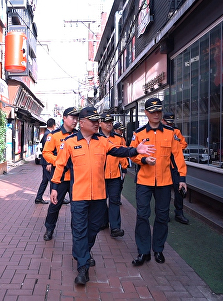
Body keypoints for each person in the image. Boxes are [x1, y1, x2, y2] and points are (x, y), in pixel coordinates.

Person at [50, 107, 154, 285]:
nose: (97, 123)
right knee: (80, 229)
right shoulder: (69, 142)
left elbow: (119, 150)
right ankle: (83, 267)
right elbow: (59, 165)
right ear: (82, 123)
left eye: (98, 120)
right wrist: (54, 187)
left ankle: (82, 251)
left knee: (93, 229)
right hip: (79, 195)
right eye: (93, 121)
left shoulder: (103, 142)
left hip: (99, 195)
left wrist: (136, 150)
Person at [129, 97, 187, 266]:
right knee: (142, 216)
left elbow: (178, 157)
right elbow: (132, 154)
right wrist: (144, 160)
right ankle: (143, 251)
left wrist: (182, 178)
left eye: (158, 111)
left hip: (164, 182)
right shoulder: (139, 134)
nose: (156, 114)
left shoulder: (171, 133)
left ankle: (158, 249)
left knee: (162, 216)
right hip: (144, 182)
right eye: (152, 111)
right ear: (146, 113)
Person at [41, 107, 79, 241]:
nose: (75, 121)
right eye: (72, 118)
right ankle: (49, 228)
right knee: (54, 205)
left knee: (77, 208)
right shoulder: (54, 135)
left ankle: (77, 236)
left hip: (76, 178)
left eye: (77, 118)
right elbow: (46, 153)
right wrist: (58, 162)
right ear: (64, 118)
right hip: (60, 178)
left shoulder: (78, 135)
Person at [99, 114, 128, 237]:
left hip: (115, 175)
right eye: (106, 122)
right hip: (100, 176)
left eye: (111, 121)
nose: (109, 124)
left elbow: (123, 153)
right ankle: (103, 222)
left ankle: (115, 227)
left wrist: (125, 168)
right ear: (100, 123)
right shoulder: (95, 138)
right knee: (101, 201)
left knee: (114, 201)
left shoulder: (118, 138)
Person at [161, 111, 190, 224]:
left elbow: (184, 144)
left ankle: (179, 213)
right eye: (167, 123)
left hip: (176, 166)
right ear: (163, 121)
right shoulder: (159, 131)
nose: (170, 125)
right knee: (165, 191)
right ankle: (165, 213)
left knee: (179, 190)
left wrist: (175, 148)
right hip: (164, 165)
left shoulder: (176, 131)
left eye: (171, 123)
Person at [35, 118, 57, 204]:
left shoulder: (46, 134)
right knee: (52, 180)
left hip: (45, 161)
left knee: (45, 180)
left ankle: (38, 197)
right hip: (47, 162)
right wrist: (49, 162)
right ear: (53, 125)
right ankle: (55, 198)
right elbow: (47, 150)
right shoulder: (48, 135)